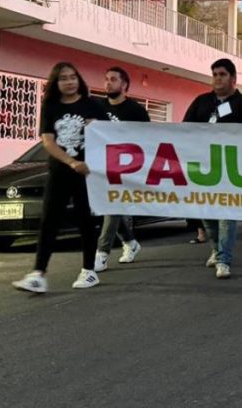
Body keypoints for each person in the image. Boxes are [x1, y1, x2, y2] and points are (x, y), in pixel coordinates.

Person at [13, 62, 104, 293]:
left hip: (87, 173)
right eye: (64, 78)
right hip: (61, 171)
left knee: (86, 220)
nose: (70, 81)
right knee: (49, 221)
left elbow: (111, 136)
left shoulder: (92, 105)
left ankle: (89, 270)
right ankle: (38, 274)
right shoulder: (51, 106)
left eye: (73, 77)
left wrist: (97, 128)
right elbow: (48, 141)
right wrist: (71, 162)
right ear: (56, 83)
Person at [182, 58, 242, 279]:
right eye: (214, 74)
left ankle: (224, 259)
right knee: (207, 214)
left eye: (222, 74)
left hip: (230, 169)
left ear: (233, 78)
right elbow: (185, 129)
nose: (217, 78)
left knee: (226, 214)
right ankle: (216, 249)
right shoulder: (201, 101)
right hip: (204, 167)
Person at [94, 66, 150, 272]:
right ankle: (130, 242)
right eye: (106, 79)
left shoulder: (136, 111)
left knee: (113, 204)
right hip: (101, 165)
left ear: (124, 84)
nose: (108, 83)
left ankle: (102, 252)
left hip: (127, 167)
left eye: (113, 79)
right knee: (111, 206)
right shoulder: (97, 106)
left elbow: (147, 140)